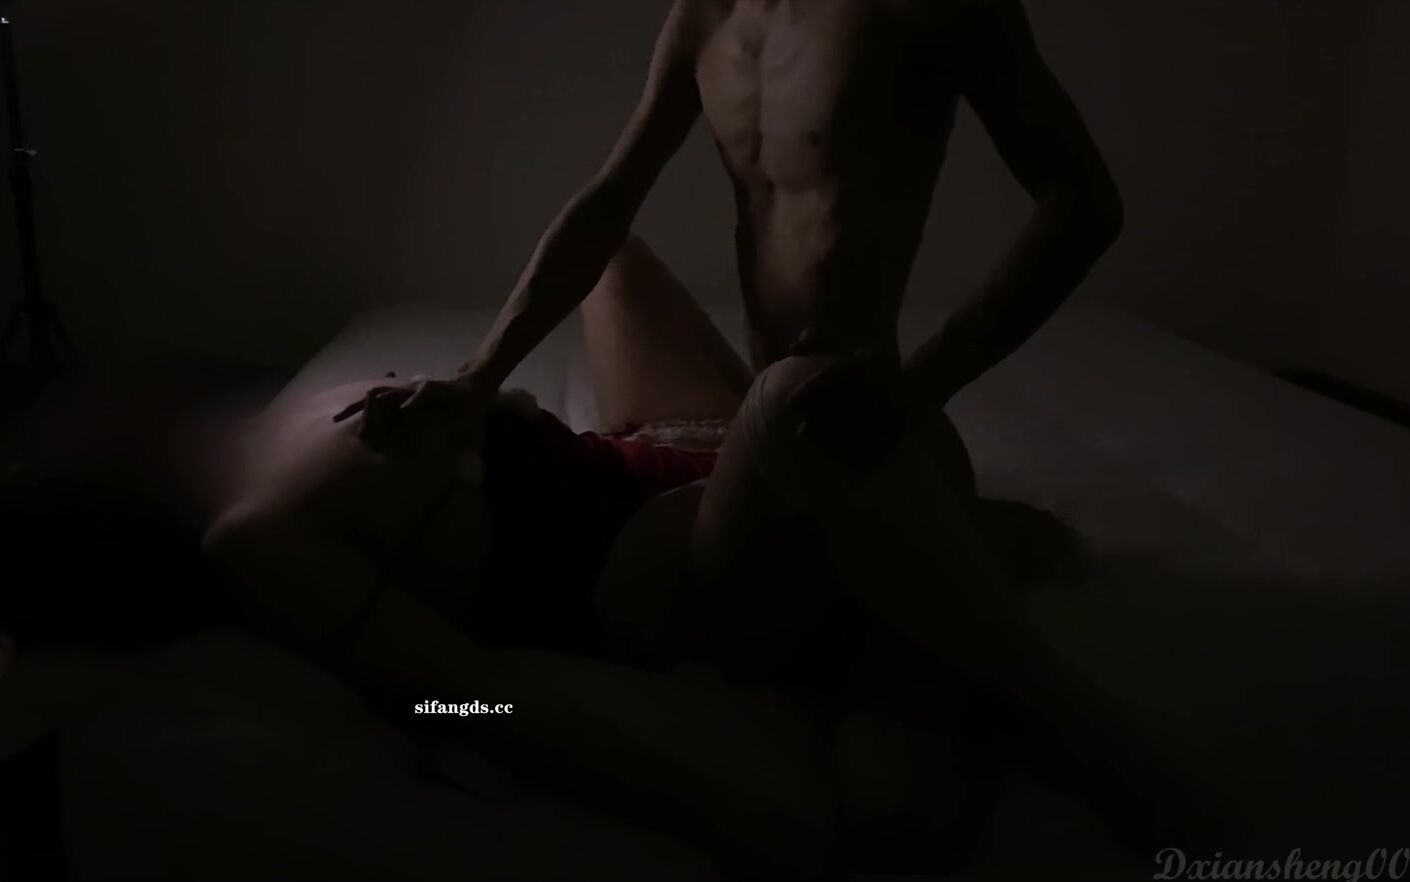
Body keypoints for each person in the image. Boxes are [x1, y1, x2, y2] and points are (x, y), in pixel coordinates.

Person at [332, 0, 1222, 861]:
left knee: (776, 389)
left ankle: (1058, 700)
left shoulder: (924, 8)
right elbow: (477, 701)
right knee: (893, 811)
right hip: (722, 481)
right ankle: (952, 563)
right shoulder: (707, 14)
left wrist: (918, 385)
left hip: (825, 427)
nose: (387, 406)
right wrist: (480, 373)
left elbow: (1084, 202)